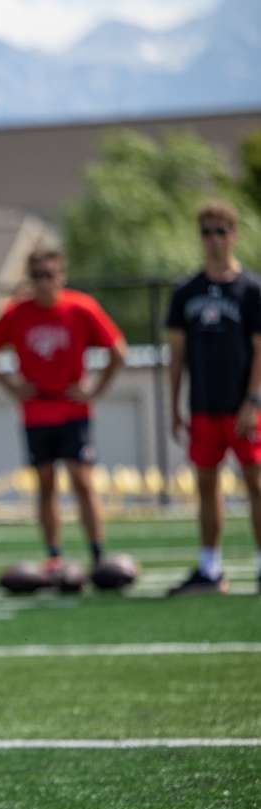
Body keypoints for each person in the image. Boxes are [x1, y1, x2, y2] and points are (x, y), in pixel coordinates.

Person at [0, 248, 127, 579]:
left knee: (82, 479)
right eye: (37, 276)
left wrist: (95, 389)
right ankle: (55, 556)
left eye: (50, 275)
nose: (44, 283)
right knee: (45, 483)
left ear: (62, 276)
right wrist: (12, 387)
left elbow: (118, 349)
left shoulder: (81, 308)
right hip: (36, 410)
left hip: (73, 407)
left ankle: (98, 553)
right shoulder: (17, 313)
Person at [165, 200, 261, 596]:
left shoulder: (251, 290)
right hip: (203, 406)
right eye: (207, 231)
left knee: (255, 484)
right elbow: (176, 355)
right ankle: (210, 568)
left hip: (243, 407)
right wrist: (173, 405)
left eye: (221, 231)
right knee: (206, 485)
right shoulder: (186, 292)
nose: (214, 239)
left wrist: (253, 401)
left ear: (234, 234)